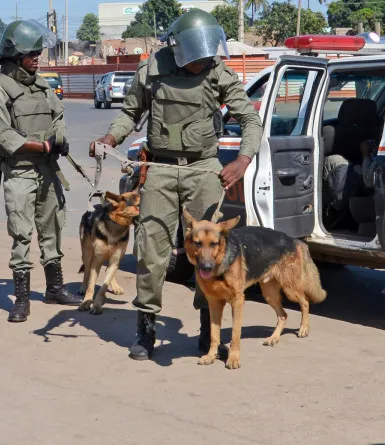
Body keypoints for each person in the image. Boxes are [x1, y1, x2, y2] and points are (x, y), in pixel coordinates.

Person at [91, 8, 262, 361]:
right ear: (181, 49)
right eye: (197, 55)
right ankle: (146, 331)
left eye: (208, 53)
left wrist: (243, 160)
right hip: (161, 170)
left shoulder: (218, 71)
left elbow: (249, 118)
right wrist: (111, 137)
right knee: (151, 254)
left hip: (204, 171)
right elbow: (130, 113)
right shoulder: (151, 71)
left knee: (209, 255)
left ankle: (207, 332)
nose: (204, 60)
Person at [0, 20, 82, 324]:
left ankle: (54, 288)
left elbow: (59, 114)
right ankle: (22, 299)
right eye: (32, 53)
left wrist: (60, 138)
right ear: (15, 55)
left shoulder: (41, 85)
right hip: (21, 172)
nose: (38, 57)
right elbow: (4, 136)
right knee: (22, 233)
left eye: (39, 52)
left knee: (52, 227)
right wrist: (42, 147)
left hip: (48, 171)